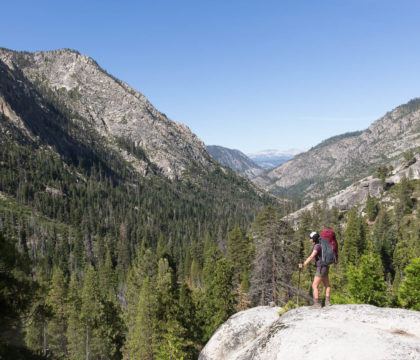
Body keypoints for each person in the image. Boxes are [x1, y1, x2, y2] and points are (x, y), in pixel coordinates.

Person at [299, 231, 331, 308]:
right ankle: (327, 302)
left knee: (314, 285)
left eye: (310, 238)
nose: (310, 240)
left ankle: (316, 304)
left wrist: (304, 264)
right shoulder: (322, 245)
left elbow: (311, 256)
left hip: (320, 268)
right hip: (326, 266)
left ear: (314, 239)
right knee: (327, 285)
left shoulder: (317, 246)